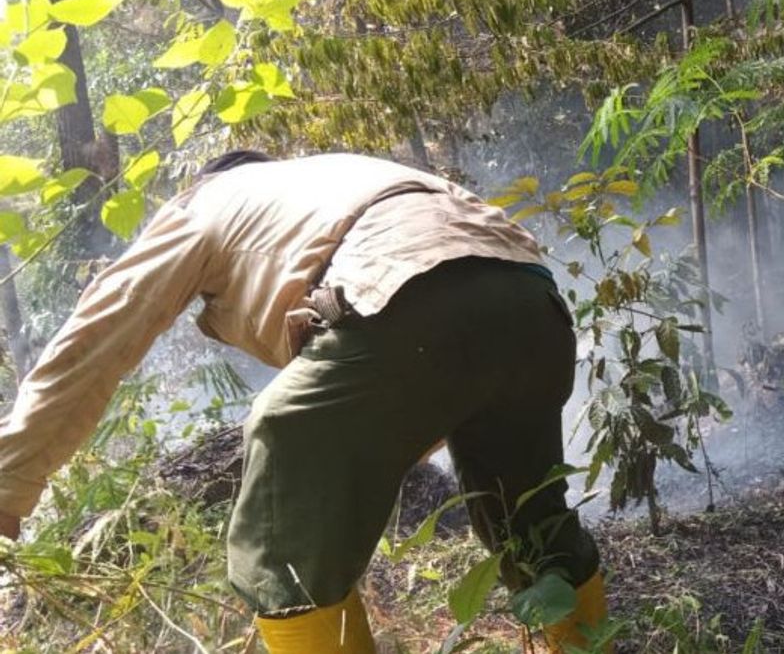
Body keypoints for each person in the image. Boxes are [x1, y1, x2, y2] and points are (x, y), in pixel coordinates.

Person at [0, 152, 609, 653]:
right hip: (533, 306)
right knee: (528, 521)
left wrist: (8, 489)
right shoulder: (333, 180)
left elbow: (94, 339)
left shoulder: (207, 203)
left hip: (406, 293)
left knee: (280, 506)